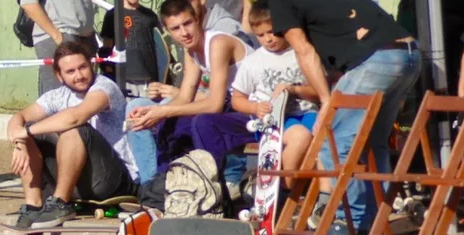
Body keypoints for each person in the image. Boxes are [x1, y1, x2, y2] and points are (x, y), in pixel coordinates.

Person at [268, 0, 421, 235]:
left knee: (333, 141)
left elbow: (303, 50)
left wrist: (325, 100)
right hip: (409, 54)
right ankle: (379, 217)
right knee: (372, 143)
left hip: (375, 58)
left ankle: (349, 220)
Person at [6, 41, 140, 230]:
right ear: (59, 76)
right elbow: (18, 118)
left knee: (75, 129)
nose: (79, 76)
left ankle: (61, 204)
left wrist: (26, 131)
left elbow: (76, 117)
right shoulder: (57, 96)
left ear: (91, 65)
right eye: (70, 71)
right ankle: (33, 206)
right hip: (79, 180)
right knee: (32, 132)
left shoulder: (104, 87)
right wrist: (21, 142)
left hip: (113, 180)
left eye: (82, 67)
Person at [125, 0, 252, 193]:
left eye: (187, 23)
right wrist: (152, 112)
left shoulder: (218, 43)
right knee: (169, 123)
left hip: (255, 111)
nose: (184, 33)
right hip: (233, 108)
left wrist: (162, 111)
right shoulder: (190, 51)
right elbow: (184, 97)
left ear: (197, 19)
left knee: (203, 123)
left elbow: (215, 105)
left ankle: (211, 190)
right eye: (176, 28)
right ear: (167, 31)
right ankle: (166, 186)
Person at [229, 1, 318, 187]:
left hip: (307, 112)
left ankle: (319, 192)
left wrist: (297, 90)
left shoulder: (301, 52)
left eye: (272, 32)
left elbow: (318, 90)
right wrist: (255, 107)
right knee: (300, 137)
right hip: (273, 120)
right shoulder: (253, 62)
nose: (268, 39)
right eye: (260, 35)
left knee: (324, 137)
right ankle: (283, 189)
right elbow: (237, 99)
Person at [18, 0, 97, 96]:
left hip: (86, 35)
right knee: (57, 96)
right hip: (59, 34)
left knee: (86, 95)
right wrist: (57, 37)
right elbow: (28, 4)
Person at [99, 0, 163, 98]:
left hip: (149, 77)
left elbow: (160, 45)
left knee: (148, 106)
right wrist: (109, 70)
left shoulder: (150, 15)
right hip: (124, 77)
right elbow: (107, 45)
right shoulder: (113, 15)